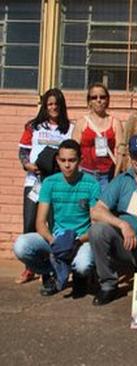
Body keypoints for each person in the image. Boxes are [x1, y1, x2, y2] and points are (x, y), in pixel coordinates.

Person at [13, 139, 100, 297]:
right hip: (55, 239)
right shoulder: (49, 183)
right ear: (58, 160)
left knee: (83, 265)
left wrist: (76, 242)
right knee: (21, 246)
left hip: (81, 240)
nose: (67, 165)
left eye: (72, 160)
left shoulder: (91, 183)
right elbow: (40, 222)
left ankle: (79, 277)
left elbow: (95, 223)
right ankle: (54, 270)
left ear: (80, 160)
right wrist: (55, 243)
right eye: (63, 160)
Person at [88, 134, 137, 305]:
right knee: (97, 230)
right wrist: (122, 224)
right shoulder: (122, 180)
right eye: (135, 156)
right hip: (125, 244)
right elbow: (96, 211)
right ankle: (108, 285)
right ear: (130, 157)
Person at [16, 88, 74, 284]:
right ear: (44, 105)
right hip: (34, 182)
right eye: (50, 104)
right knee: (30, 223)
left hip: (56, 184)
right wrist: (28, 165)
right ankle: (30, 267)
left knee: (53, 224)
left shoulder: (69, 128)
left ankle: (53, 265)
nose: (53, 107)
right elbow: (23, 152)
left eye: (57, 104)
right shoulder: (33, 126)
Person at [73, 83, 125, 190]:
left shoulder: (115, 123)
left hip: (107, 177)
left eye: (102, 97)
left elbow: (120, 151)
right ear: (89, 101)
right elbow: (74, 150)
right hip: (85, 174)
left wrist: (115, 177)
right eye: (94, 97)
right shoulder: (81, 123)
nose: (98, 100)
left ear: (107, 100)